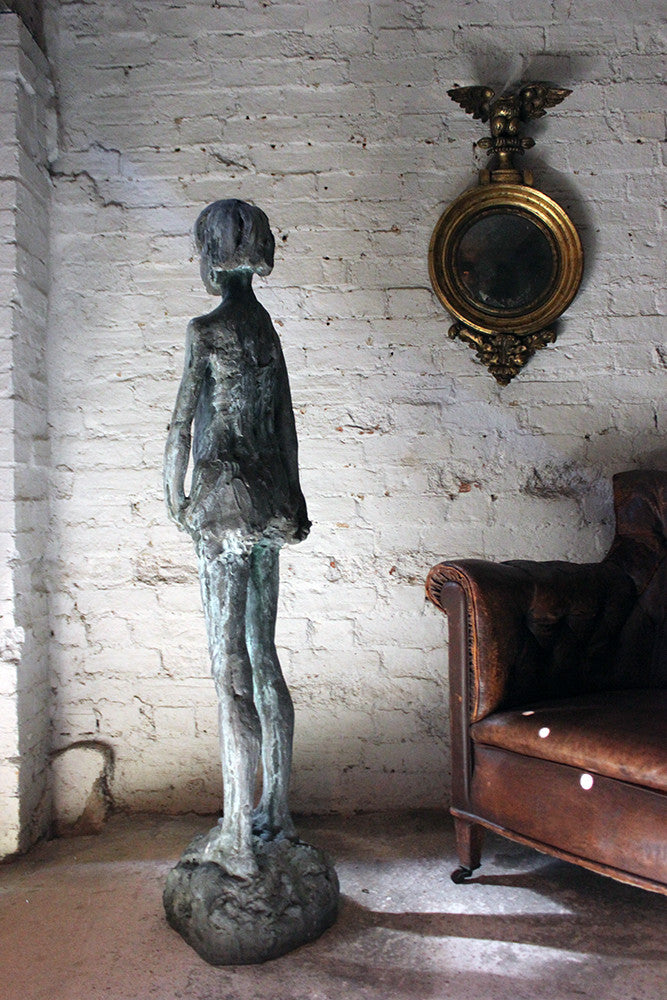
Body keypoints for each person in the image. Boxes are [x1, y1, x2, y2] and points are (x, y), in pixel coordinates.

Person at [164, 199, 310, 878]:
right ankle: (276, 809)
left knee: (229, 669)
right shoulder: (265, 328)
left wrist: (173, 494)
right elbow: (285, 424)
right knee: (264, 656)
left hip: (222, 502)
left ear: (210, 255)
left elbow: (180, 424)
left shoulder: (205, 331)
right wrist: (295, 496)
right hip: (270, 497)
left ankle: (237, 835)